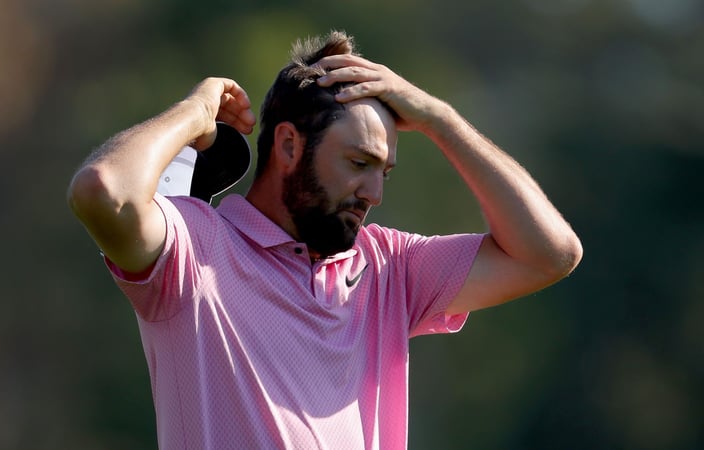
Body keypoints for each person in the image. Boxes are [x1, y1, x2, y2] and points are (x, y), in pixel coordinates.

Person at [67, 30, 582, 449]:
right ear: (289, 145)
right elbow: (102, 190)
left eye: (384, 172)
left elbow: (551, 254)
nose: (374, 193)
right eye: (358, 164)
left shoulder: (388, 267)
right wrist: (194, 114)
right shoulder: (193, 250)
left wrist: (440, 120)